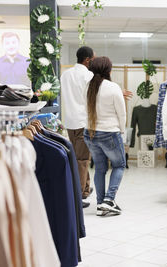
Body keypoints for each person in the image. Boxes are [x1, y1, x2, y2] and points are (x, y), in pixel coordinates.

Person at [83, 56, 126, 216]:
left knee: (100, 168)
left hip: (90, 132)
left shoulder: (87, 86)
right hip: (109, 133)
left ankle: (101, 203)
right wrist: (122, 131)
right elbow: (121, 114)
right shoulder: (113, 87)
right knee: (119, 164)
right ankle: (109, 200)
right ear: (108, 70)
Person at [61, 46, 95, 208]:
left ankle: (85, 189)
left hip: (70, 122)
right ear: (87, 60)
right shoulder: (88, 75)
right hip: (83, 122)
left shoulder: (65, 74)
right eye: (93, 59)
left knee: (78, 158)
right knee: (82, 160)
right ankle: (78, 197)